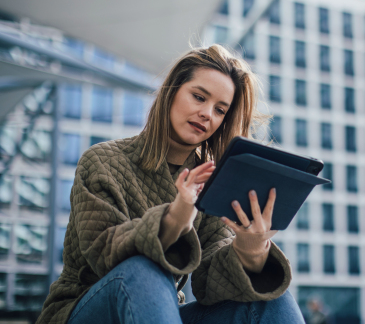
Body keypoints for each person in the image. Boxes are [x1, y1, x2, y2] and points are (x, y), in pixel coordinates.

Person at [37, 45, 305, 324]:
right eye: (199, 97)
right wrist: (176, 217)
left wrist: (250, 248)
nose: (207, 114)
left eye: (220, 110)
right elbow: (104, 255)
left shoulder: (211, 181)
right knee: (144, 270)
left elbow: (207, 285)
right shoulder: (102, 161)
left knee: (270, 299)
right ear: (171, 92)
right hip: (87, 309)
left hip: (161, 312)